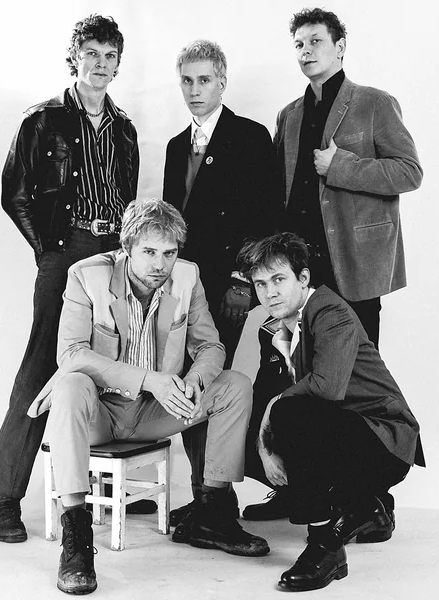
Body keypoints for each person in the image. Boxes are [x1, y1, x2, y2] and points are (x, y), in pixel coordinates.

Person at [30, 198, 268, 594]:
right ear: (127, 247)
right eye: (150, 252)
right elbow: (71, 354)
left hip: (155, 413)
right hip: (98, 414)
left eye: (169, 253)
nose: (160, 264)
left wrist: (194, 379)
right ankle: (76, 537)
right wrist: (150, 380)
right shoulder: (86, 275)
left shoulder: (187, 276)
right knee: (70, 384)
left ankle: (212, 514)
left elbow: (210, 346)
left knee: (235, 385)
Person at [246, 6, 424, 523]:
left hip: (355, 268)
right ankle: (299, 488)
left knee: (350, 387)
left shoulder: (374, 103)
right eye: (299, 44)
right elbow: (280, 195)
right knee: (290, 370)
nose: (306, 51)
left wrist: (342, 165)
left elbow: (409, 172)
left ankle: (370, 499)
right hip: (299, 274)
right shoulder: (289, 115)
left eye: (316, 41)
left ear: (340, 47)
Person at [0, 14, 145, 545]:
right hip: (66, 247)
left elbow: (127, 197)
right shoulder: (43, 120)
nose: (100, 64)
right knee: (42, 366)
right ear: (73, 58)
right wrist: (48, 250)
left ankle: (106, 488)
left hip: (114, 250)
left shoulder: (124, 127)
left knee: (113, 360)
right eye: (91, 53)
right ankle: (5, 500)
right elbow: (14, 193)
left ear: (118, 64)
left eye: (109, 55)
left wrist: (124, 252)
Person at [237, 232, 425, 592]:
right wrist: (262, 444)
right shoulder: (274, 327)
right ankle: (365, 507)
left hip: (384, 440)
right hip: (341, 433)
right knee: (247, 436)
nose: (269, 292)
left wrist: (273, 411)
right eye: (260, 284)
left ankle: (326, 546)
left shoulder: (329, 311)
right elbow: (272, 394)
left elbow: (326, 387)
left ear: (303, 278)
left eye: (278, 279)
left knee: (289, 412)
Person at [160, 39, 282, 528]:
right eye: (187, 81)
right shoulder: (175, 146)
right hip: (184, 286)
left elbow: (265, 215)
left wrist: (242, 280)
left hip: (228, 285)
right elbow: (171, 226)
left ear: (222, 82)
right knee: (188, 381)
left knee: (219, 384)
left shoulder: (250, 137)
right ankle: (202, 494)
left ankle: (217, 496)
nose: (195, 90)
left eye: (204, 80)